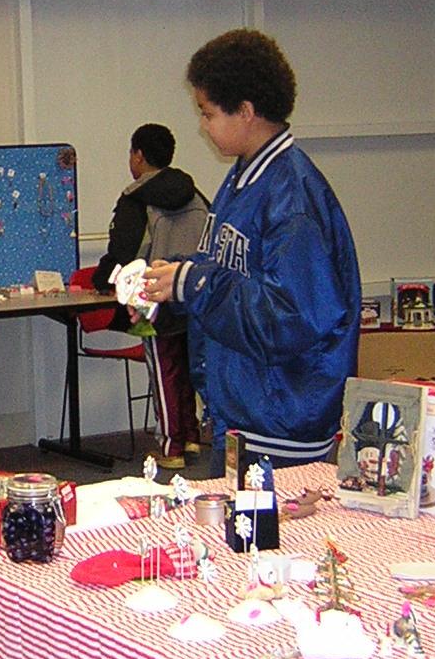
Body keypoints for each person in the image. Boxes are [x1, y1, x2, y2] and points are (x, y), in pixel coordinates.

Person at [142, 29, 361, 478]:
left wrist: (196, 283)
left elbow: (292, 315)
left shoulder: (293, 196)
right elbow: (232, 274)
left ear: (245, 111)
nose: (202, 126)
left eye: (207, 114)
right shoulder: (244, 179)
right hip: (244, 407)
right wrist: (180, 279)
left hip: (282, 416)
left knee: (276, 544)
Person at [92, 122, 209, 470]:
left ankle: (171, 447)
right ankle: (189, 437)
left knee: (163, 371)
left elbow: (123, 251)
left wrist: (102, 278)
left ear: (139, 156)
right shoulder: (197, 194)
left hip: (152, 295)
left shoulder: (135, 198)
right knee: (187, 367)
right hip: (195, 290)